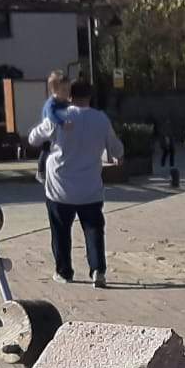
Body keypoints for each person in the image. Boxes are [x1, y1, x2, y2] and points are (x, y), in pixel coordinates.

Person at [27, 78, 123, 288]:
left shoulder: (58, 117)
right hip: (90, 188)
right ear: (89, 96)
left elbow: (33, 138)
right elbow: (116, 149)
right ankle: (98, 270)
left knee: (60, 231)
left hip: (59, 188)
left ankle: (64, 272)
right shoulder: (101, 119)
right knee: (93, 229)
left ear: (69, 96)